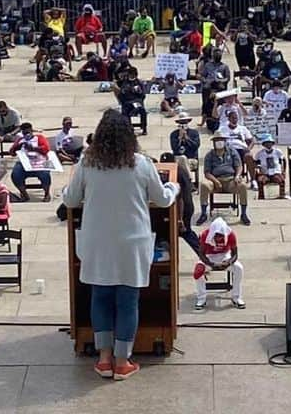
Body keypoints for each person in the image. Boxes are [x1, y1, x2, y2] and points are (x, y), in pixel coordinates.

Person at [62, 109, 179, 381]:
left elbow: (70, 201)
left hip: (97, 242)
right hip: (131, 243)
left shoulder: (86, 163)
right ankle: (122, 361)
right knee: (128, 302)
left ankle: (103, 360)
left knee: (100, 297)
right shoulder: (141, 163)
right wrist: (173, 189)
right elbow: (161, 200)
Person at [197, 133, 250, 226]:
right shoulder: (209, 155)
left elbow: (239, 166)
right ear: (213, 142)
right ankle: (203, 213)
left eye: (221, 140)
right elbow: (207, 173)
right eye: (217, 140)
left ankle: (244, 214)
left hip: (230, 180)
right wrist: (215, 181)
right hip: (215, 180)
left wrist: (237, 176)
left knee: (243, 186)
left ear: (225, 141)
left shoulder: (232, 152)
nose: (219, 142)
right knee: (204, 185)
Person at [193, 216, 245, 310]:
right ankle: (201, 298)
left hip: (224, 255)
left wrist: (228, 262)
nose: (218, 238)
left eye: (221, 235)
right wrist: (211, 264)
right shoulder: (205, 235)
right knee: (198, 272)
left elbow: (235, 254)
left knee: (239, 268)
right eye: (216, 235)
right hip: (209, 257)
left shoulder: (231, 234)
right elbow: (201, 253)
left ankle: (236, 297)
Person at [10, 122, 53, 202]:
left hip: (38, 163)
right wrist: (17, 147)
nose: (26, 134)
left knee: (45, 174)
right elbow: (11, 152)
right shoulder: (20, 140)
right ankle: (24, 194)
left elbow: (46, 149)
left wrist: (34, 148)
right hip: (24, 164)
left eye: (28, 132)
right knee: (15, 174)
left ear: (31, 131)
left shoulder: (39, 138)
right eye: (24, 132)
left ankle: (47, 193)